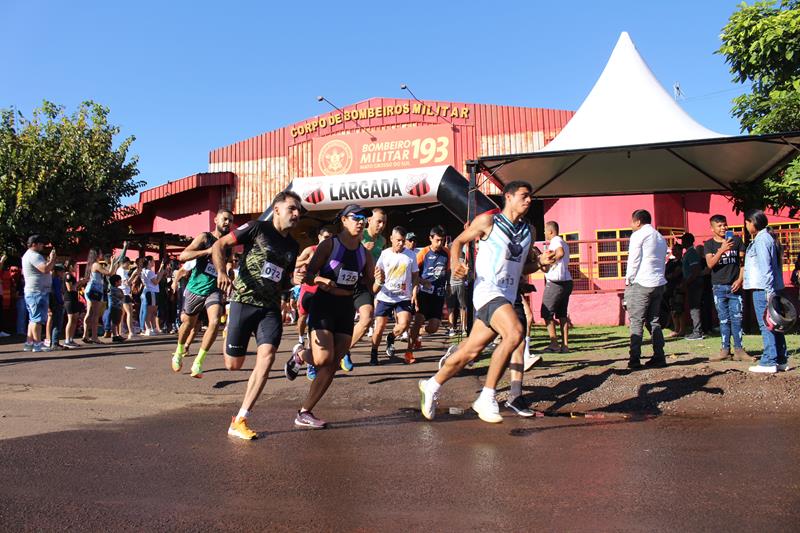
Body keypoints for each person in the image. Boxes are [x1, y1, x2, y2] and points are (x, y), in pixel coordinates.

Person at [418, 181, 554, 423]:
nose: (529, 200)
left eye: (530, 196)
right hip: (488, 292)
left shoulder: (528, 232)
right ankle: (487, 396)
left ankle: (432, 384)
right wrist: (456, 263)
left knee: (470, 351)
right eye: (524, 196)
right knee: (515, 333)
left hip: (508, 295)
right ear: (508, 197)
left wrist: (542, 263)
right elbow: (458, 242)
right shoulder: (488, 222)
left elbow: (524, 266)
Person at [212, 191, 302, 440]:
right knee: (233, 365)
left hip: (270, 308)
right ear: (277, 209)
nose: (296, 214)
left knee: (268, 356)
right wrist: (221, 272)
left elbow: (283, 280)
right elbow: (220, 245)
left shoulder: (293, 246)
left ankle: (240, 418)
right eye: (292, 208)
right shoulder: (256, 228)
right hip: (243, 302)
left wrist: (292, 281)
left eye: (299, 210)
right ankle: (228, 331)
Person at [285, 204, 374, 428]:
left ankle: (305, 411)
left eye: (364, 218)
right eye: (356, 217)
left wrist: (374, 281)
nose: (361, 221)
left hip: (345, 307)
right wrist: (320, 280)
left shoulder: (365, 254)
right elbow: (308, 275)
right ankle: (300, 356)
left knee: (332, 363)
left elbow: (367, 284)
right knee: (323, 358)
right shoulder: (329, 245)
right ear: (343, 220)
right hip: (324, 304)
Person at [171, 207, 234, 377]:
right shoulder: (205, 237)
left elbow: (229, 263)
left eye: (231, 221)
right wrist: (207, 251)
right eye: (225, 219)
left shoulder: (229, 244)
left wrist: (229, 273)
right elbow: (183, 256)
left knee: (214, 322)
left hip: (214, 289)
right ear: (216, 220)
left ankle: (198, 363)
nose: (228, 223)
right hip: (195, 288)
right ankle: (179, 351)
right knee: (188, 324)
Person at [744, 210, 788, 373]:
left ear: (753, 222)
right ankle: (781, 359)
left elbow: (765, 268)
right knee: (775, 324)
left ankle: (769, 360)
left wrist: (768, 292)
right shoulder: (768, 238)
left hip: (763, 288)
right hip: (771, 287)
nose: (746, 226)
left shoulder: (762, 239)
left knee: (767, 324)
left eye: (747, 223)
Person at [624, 210, 668, 370]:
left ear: (637, 221)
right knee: (653, 320)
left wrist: (628, 279)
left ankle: (634, 359)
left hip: (641, 282)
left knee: (636, 321)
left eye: (631, 221)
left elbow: (633, 259)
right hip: (658, 283)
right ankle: (659, 356)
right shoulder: (660, 237)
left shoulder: (638, 235)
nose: (630, 225)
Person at [371, 226, 421, 365]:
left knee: (404, 324)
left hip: (403, 297)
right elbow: (377, 272)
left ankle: (391, 337)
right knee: (379, 327)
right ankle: (374, 353)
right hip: (385, 296)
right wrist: (376, 283)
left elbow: (415, 275)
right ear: (391, 239)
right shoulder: (385, 254)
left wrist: (415, 290)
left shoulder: (410, 255)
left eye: (403, 241)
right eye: (398, 240)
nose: (401, 243)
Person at [704, 215, 749, 362]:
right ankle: (725, 350)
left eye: (725, 225)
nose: (723, 228)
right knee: (723, 320)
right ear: (712, 228)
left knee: (737, 319)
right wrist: (722, 250)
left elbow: (742, 263)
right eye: (719, 226)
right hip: (718, 286)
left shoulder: (736, 241)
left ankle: (739, 350)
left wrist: (740, 279)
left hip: (735, 286)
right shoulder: (709, 244)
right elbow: (710, 264)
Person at [346, 207, 386, 364]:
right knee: (342, 323)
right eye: (379, 221)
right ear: (369, 221)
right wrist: (361, 250)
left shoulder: (382, 241)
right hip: (348, 283)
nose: (381, 225)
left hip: (366, 284)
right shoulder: (359, 236)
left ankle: (344, 350)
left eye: (384, 222)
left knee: (367, 319)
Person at [410, 226, 449, 351]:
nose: (440, 243)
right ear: (430, 238)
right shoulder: (423, 253)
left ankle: (420, 332)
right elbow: (413, 272)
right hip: (424, 293)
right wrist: (422, 281)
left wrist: (448, 286)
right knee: (419, 319)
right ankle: (409, 350)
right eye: (437, 240)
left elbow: (447, 271)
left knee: (433, 328)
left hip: (438, 294)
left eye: (442, 240)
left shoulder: (446, 252)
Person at [540, 220, 573, 353]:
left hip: (556, 282)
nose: (544, 233)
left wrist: (550, 259)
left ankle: (554, 343)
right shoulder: (564, 242)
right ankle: (565, 345)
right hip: (567, 282)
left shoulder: (555, 241)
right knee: (562, 314)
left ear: (551, 231)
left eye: (545, 231)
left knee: (546, 312)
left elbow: (559, 253)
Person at [83, 245, 126, 344]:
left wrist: (112, 263)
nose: (102, 254)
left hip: (90, 289)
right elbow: (110, 273)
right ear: (97, 254)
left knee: (89, 313)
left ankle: (85, 335)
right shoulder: (96, 265)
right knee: (95, 314)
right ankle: (94, 337)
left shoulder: (90, 264)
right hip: (94, 290)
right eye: (100, 253)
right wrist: (111, 263)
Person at [22, 235, 57, 353]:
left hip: (33, 291)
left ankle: (29, 342)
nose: (43, 246)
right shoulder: (34, 256)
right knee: (37, 319)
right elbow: (45, 269)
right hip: (37, 292)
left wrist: (49, 261)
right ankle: (37, 344)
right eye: (41, 243)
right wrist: (52, 259)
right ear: (34, 244)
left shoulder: (28, 255)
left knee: (33, 319)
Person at [680, 233, 704, 340]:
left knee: (694, 307)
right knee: (693, 306)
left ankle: (697, 331)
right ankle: (697, 329)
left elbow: (695, 271)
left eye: (683, 240)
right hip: (691, 283)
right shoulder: (688, 253)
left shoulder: (692, 253)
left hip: (694, 283)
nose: (682, 242)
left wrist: (686, 283)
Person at [140, 256, 167, 336]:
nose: (153, 262)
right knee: (150, 312)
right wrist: (160, 276)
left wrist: (161, 268)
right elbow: (156, 282)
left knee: (153, 312)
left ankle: (153, 328)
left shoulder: (146, 271)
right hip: (151, 292)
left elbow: (156, 276)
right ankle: (148, 329)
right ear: (149, 262)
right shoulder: (148, 271)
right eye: (152, 261)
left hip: (151, 291)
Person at [664, 244, 685, 337]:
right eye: (673, 250)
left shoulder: (682, 261)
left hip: (678, 287)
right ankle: (676, 329)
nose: (674, 251)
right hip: (670, 288)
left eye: (676, 249)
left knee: (679, 309)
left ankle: (682, 329)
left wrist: (670, 276)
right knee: (672, 309)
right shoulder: (670, 261)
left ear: (681, 250)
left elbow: (677, 273)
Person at [446, 251, 468, 337]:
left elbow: (466, 272)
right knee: (452, 307)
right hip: (452, 285)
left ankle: (463, 328)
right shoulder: (450, 257)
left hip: (458, 284)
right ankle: (454, 328)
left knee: (461, 307)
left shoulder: (461, 256)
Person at [116, 257, 138, 340]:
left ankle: (121, 331)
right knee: (129, 313)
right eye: (128, 263)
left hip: (124, 293)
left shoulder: (121, 270)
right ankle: (131, 332)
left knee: (123, 314)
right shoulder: (121, 271)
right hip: (124, 293)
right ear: (123, 263)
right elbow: (127, 283)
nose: (129, 264)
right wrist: (134, 274)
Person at [44, 264, 65, 349]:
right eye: (62, 271)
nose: (63, 273)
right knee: (57, 323)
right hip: (57, 303)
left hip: (52, 303)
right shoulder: (56, 280)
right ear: (58, 272)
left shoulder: (51, 279)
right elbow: (57, 293)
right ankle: (55, 343)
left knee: (55, 323)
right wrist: (61, 302)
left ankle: (54, 342)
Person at [62, 260, 82, 349]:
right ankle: (67, 340)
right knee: (70, 319)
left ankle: (71, 338)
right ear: (70, 266)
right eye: (75, 265)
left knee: (75, 319)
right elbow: (69, 288)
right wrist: (79, 283)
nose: (76, 267)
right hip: (69, 299)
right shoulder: (68, 275)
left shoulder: (72, 275)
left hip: (74, 299)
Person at [108, 274, 125, 343]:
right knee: (114, 322)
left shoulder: (118, 289)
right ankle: (114, 335)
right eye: (120, 281)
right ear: (116, 282)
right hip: (114, 307)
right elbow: (121, 296)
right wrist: (122, 294)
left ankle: (117, 334)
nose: (121, 282)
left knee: (117, 321)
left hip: (119, 307)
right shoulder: (112, 289)